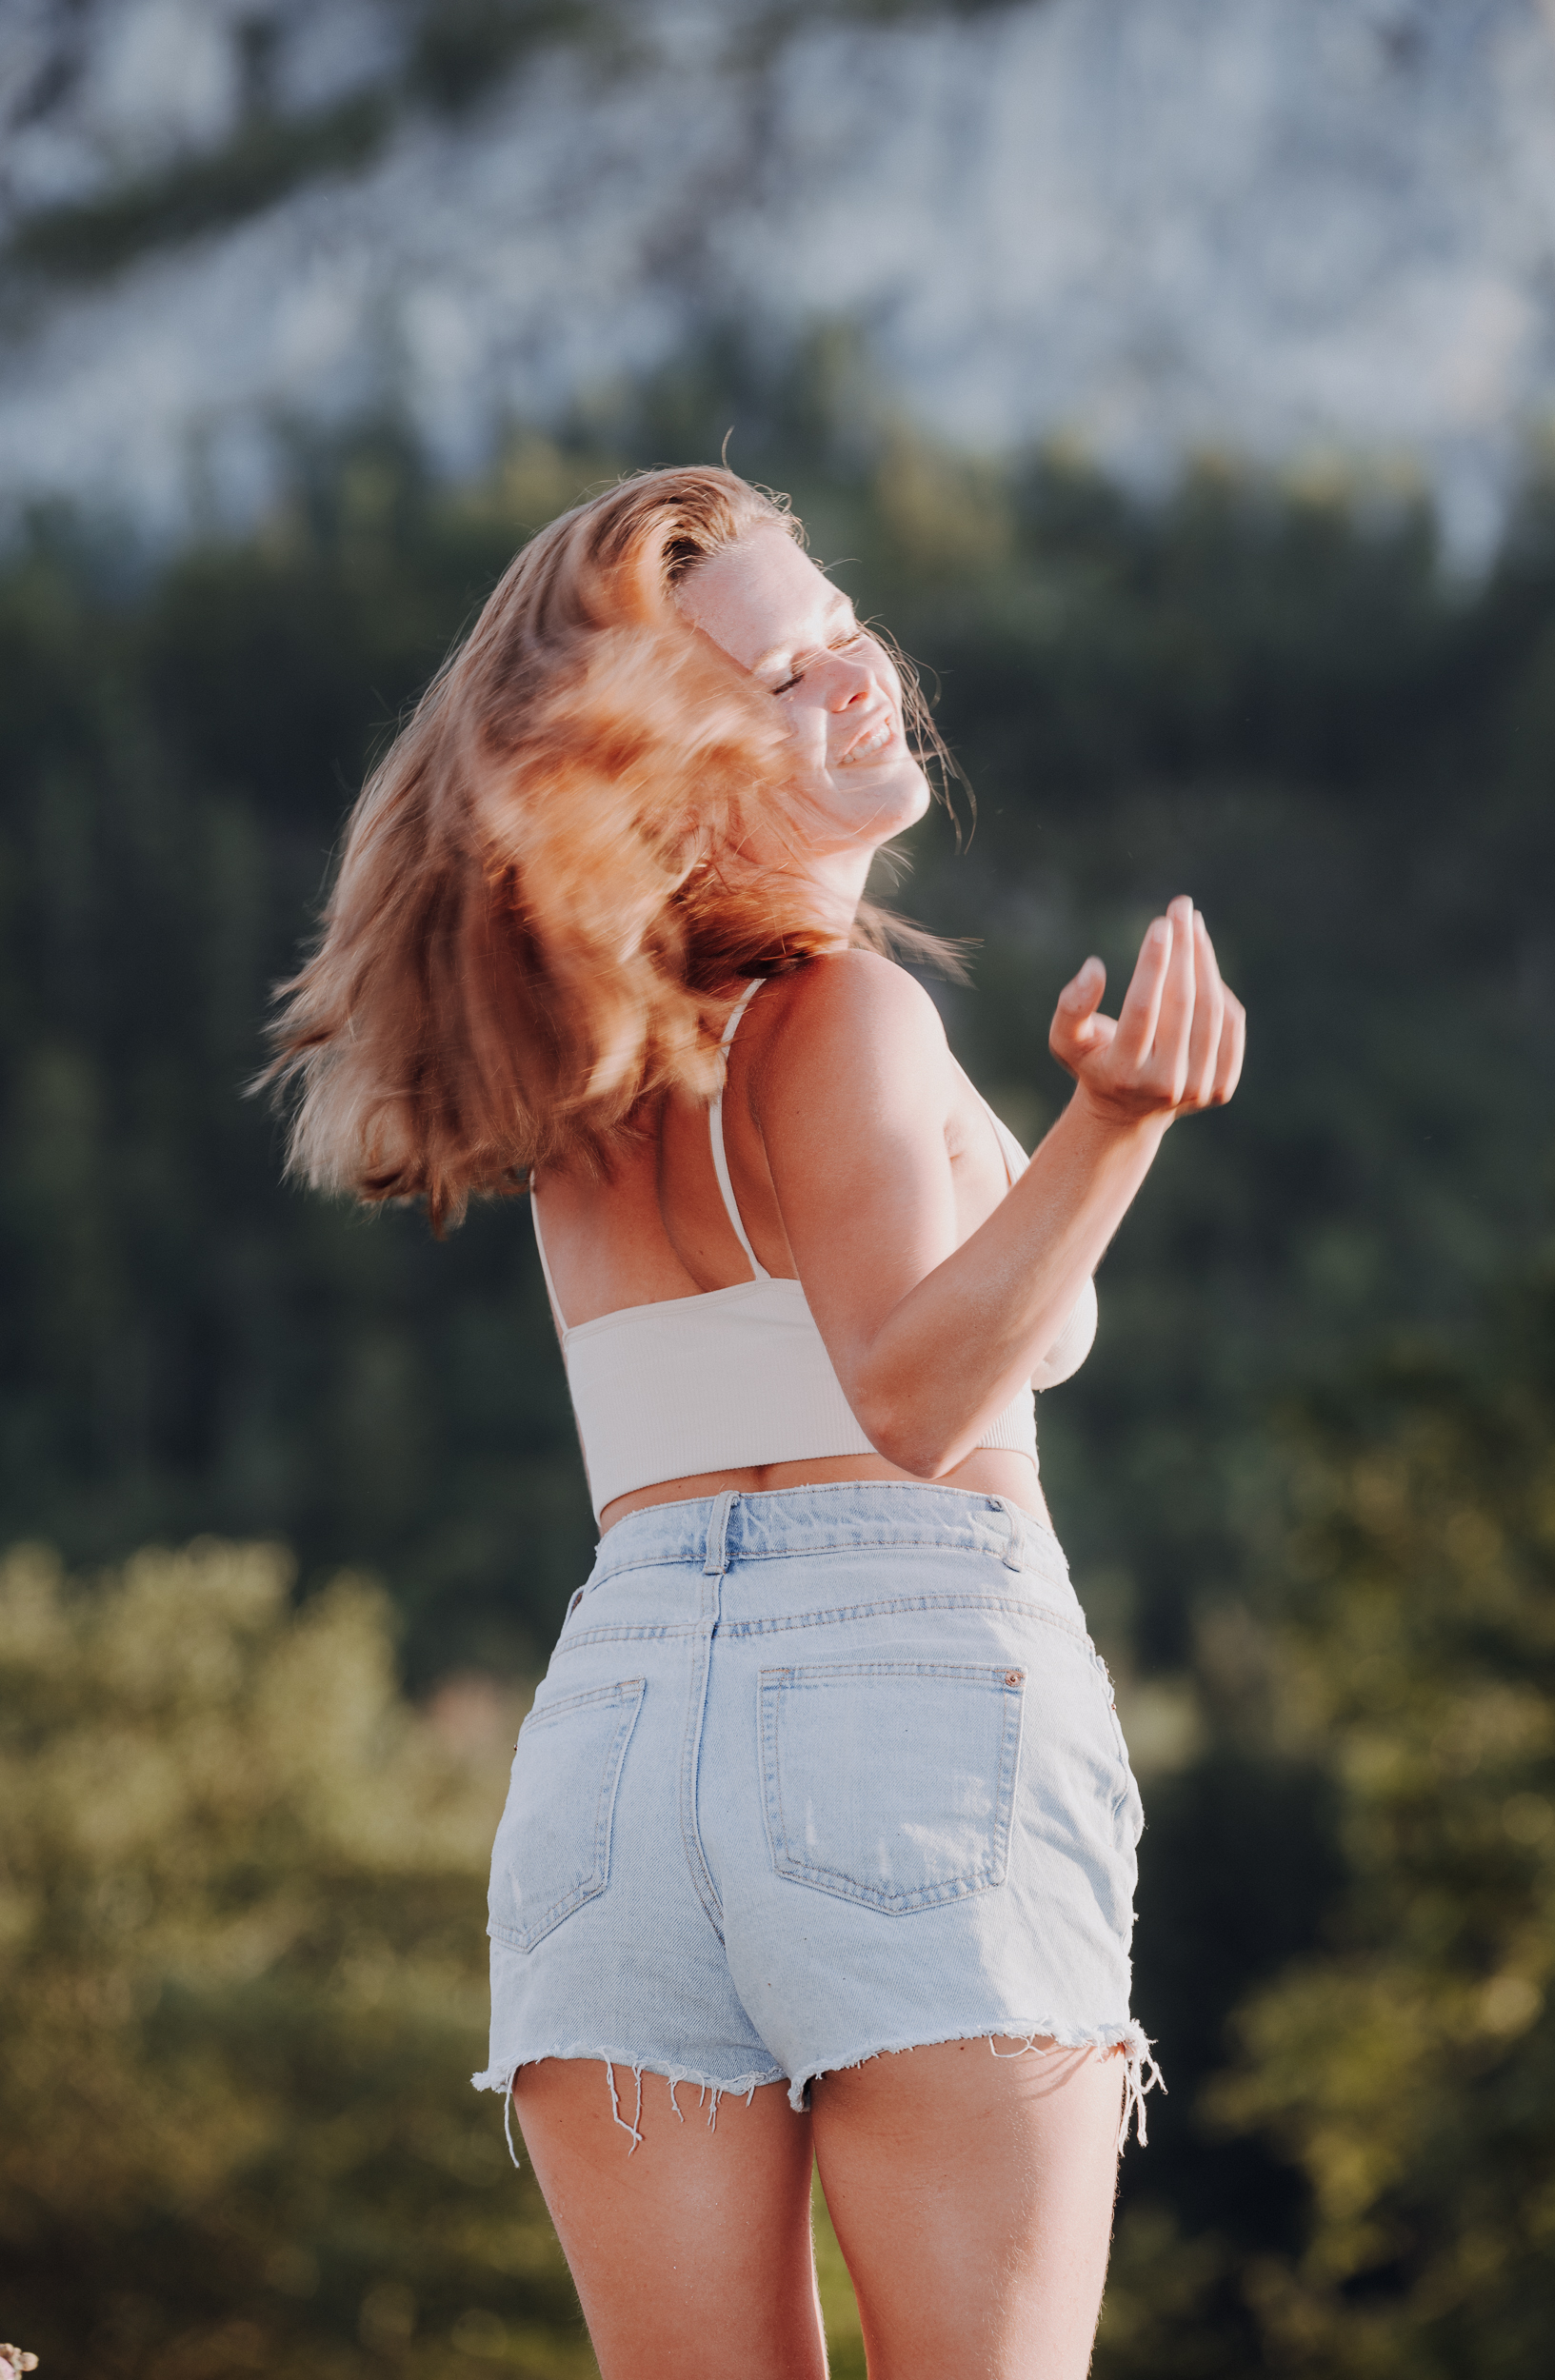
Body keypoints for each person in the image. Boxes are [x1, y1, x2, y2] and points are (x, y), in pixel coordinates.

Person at [266, 465, 1245, 2379]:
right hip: (901, 1706)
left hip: (618, 1746)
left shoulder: (595, 1078)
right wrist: (1110, 1128)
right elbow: (911, 1387)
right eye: (774, 679)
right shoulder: (845, 1017)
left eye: (835, 632)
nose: (849, 679)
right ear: (671, 759)